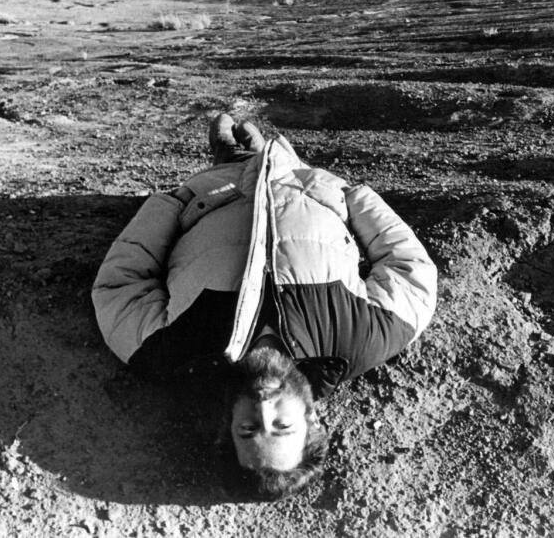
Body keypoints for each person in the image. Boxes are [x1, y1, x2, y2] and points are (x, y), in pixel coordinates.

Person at [91, 114, 437, 500]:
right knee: (271, 157)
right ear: (311, 422)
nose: (264, 408)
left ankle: (233, 157)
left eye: (249, 429)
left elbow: (120, 285)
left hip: (214, 195)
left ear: (226, 427)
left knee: (232, 159)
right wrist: (350, 199)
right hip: (305, 186)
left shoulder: (170, 352)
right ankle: (256, 155)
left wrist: (172, 205)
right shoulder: (362, 340)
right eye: (282, 427)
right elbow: (410, 270)